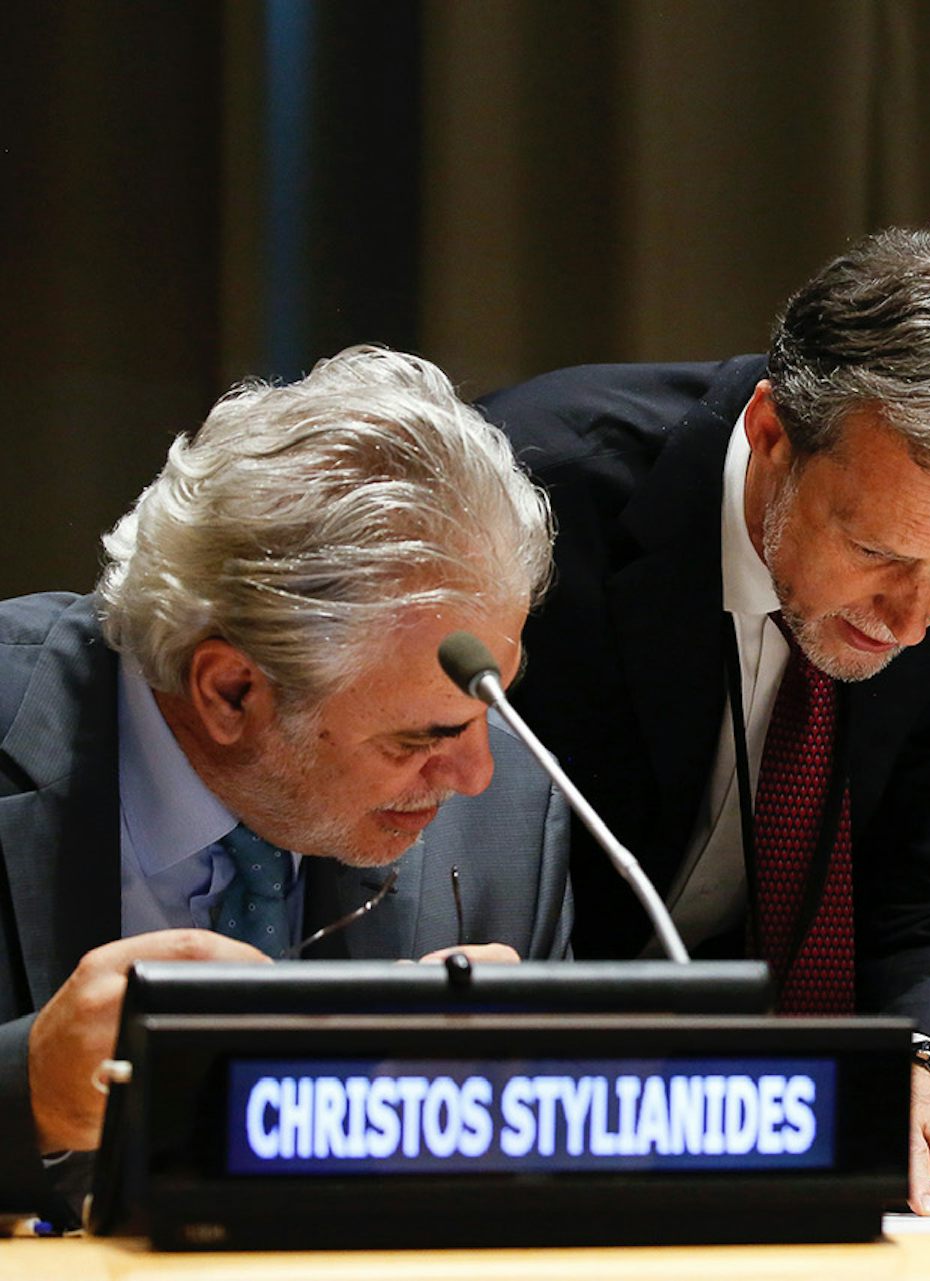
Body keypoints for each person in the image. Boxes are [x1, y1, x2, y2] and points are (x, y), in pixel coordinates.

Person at [480, 220, 930, 1217]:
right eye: (879, 552)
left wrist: (925, 1068)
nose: (916, 618)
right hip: (533, 1098)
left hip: (794, 1134)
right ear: (768, 434)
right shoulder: (531, 495)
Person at [0, 346, 571, 1223]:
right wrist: (28, 1092)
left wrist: (514, 1116)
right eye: (423, 734)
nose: (476, 771)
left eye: (486, 707)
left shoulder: (510, 817)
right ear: (230, 689)